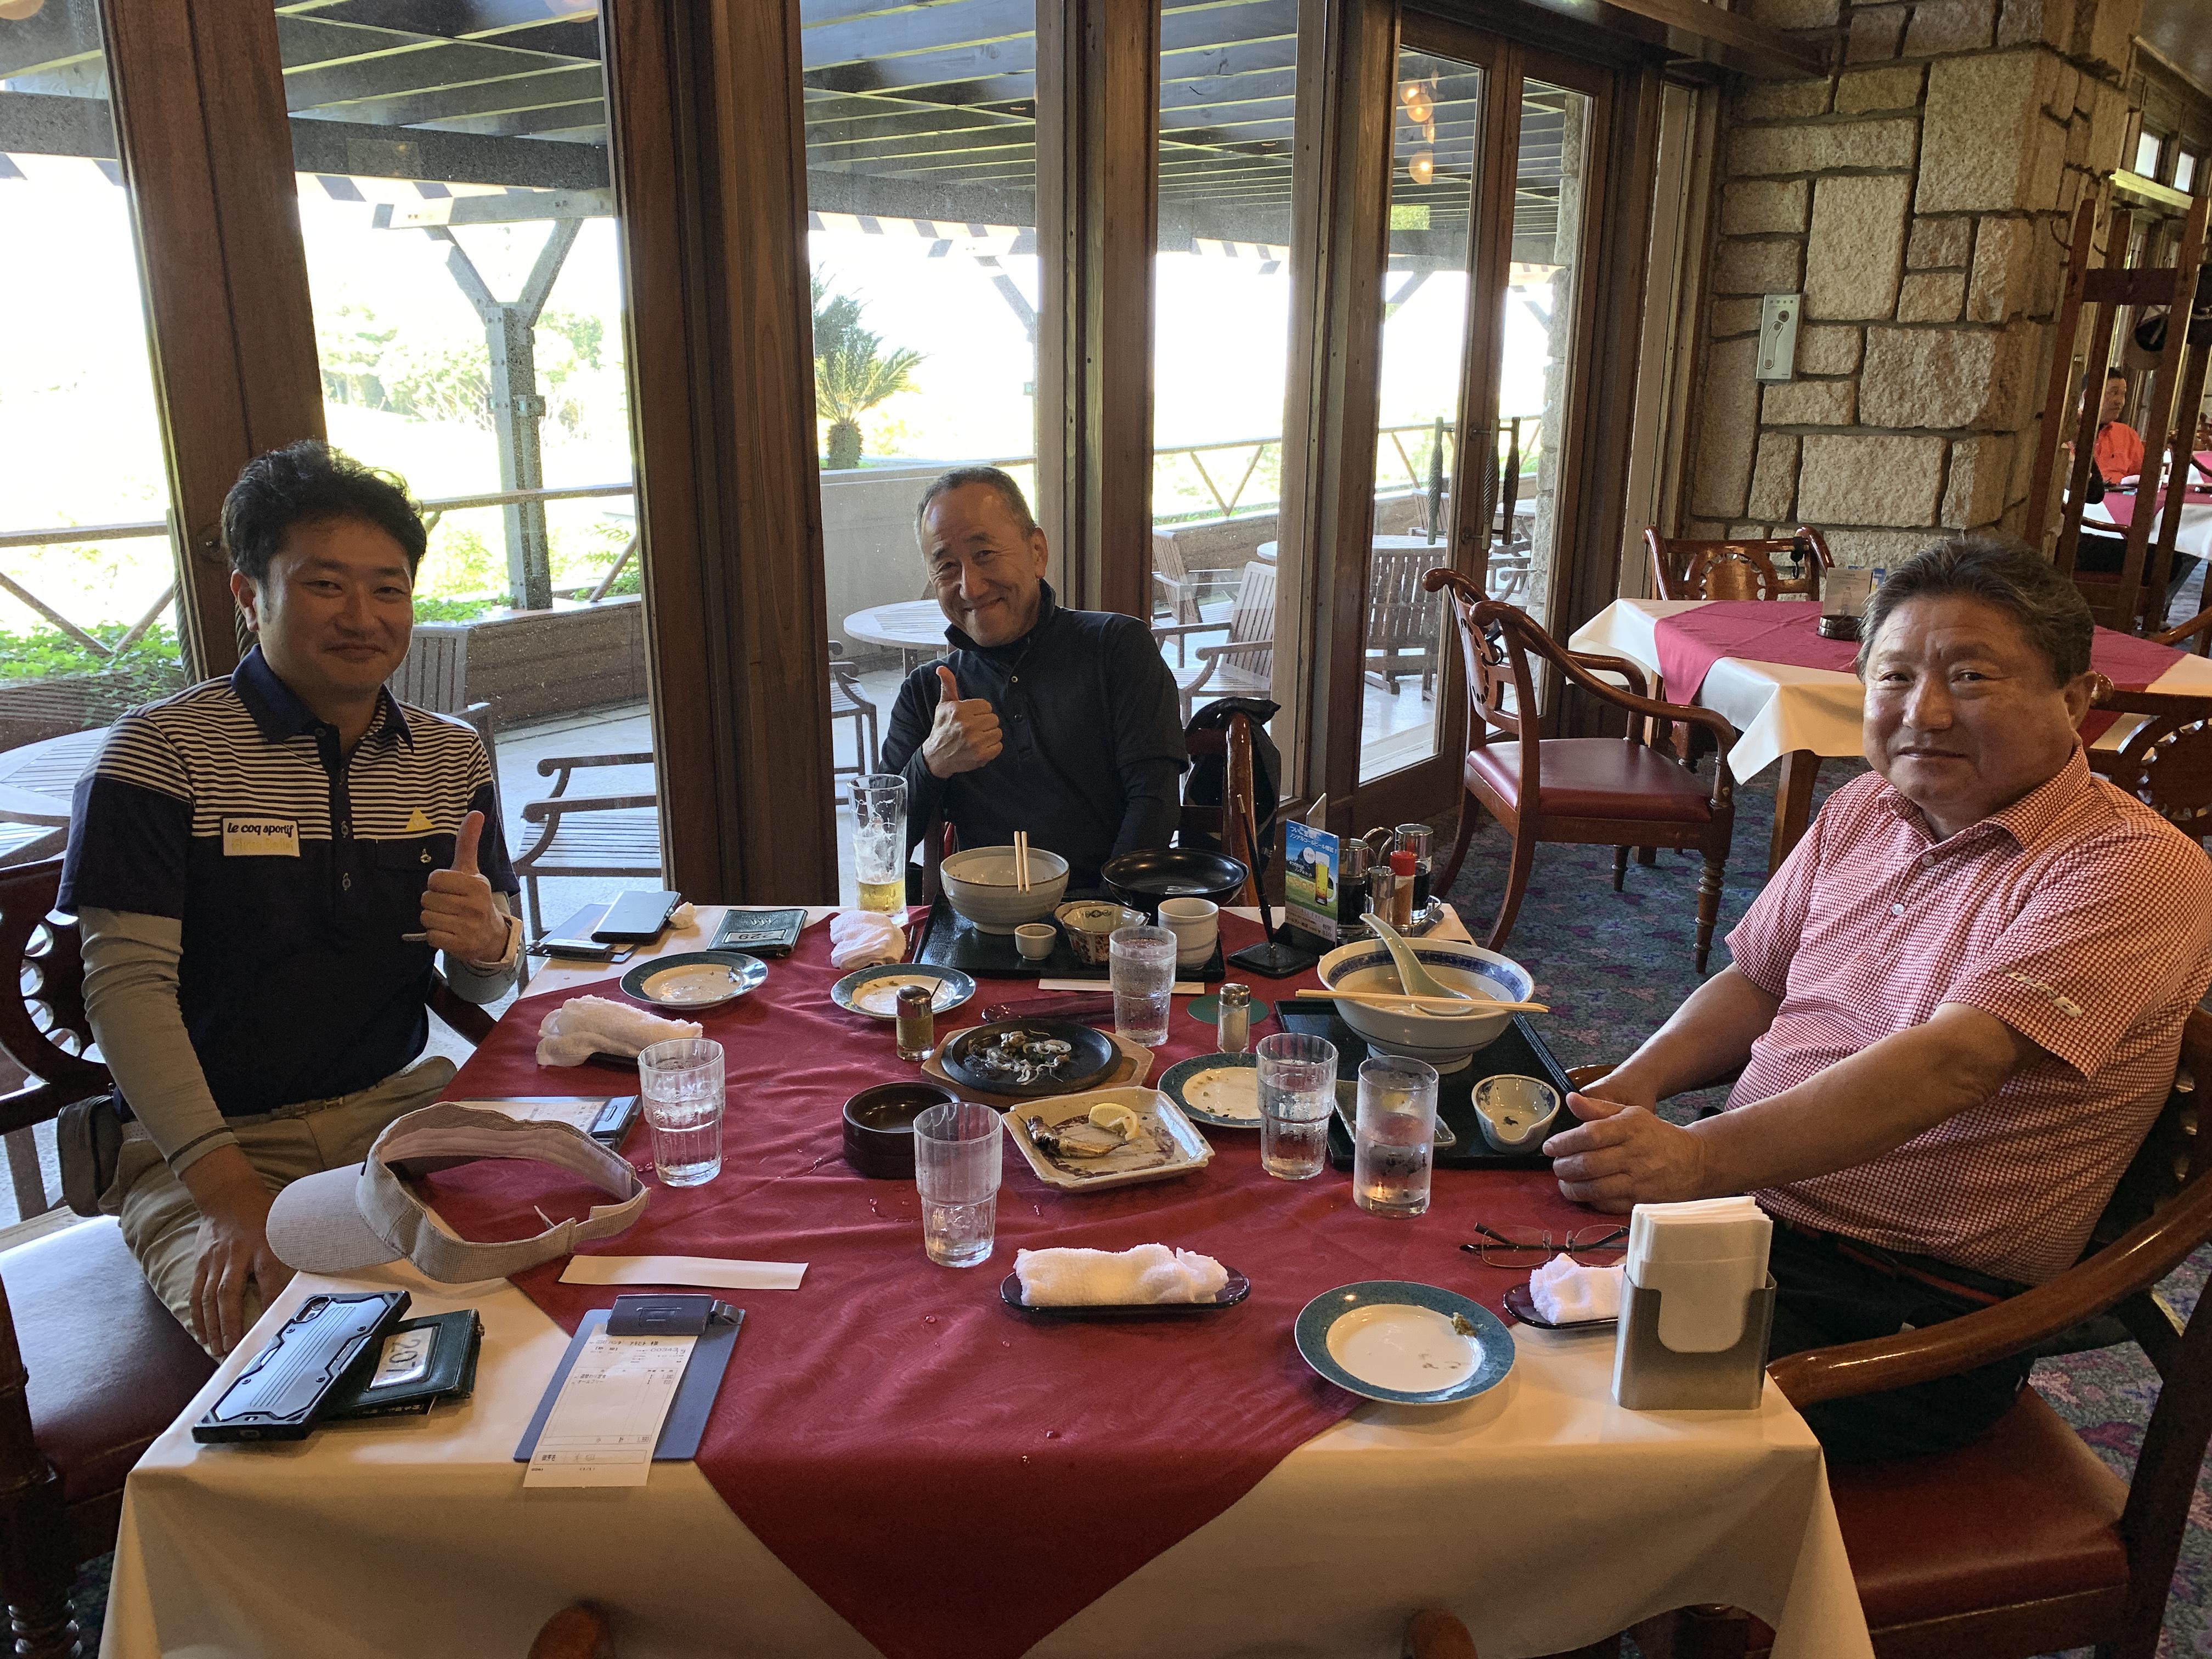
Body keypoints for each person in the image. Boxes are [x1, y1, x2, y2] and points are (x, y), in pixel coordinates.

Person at [1542, 536, 2212, 1462]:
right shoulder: (1864, 808)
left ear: (2075, 702)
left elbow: (1959, 1062)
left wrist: (1699, 1160)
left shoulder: (2130, 867)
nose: (1923, 712)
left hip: (1901, 1302)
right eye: (1894, 676)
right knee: (1447, 1276)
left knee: (1542, 1417)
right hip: (1741, 1216)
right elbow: (1757, 979)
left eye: (1971, 677)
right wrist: (1636, 1083)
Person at [60, 441, 522, 1356]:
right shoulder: (161, 753)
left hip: (398, 1110)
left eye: (388, 589)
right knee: (300, 1364)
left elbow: (484, 983)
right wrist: (229, 1194)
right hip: (209, 1145)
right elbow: (127, 992)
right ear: (249, 593)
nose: (363, 617)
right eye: (325, 585)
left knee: (538, 1287)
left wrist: (489, 945)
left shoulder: (448, 755)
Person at [879, 466, 1186, 889]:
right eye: (947, 566)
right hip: (981, 914)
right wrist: (931, 762)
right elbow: (881, 846)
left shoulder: (1116, 647)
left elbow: (1155, 804)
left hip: (1108, 909)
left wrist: (1103, 914)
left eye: (985, 554)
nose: (970, 586)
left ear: (1037, 552)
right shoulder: (928, 689)